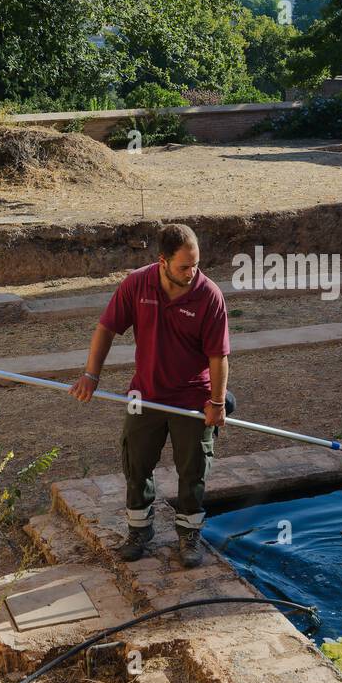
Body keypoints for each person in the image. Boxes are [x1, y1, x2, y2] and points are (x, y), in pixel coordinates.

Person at [70, 223, 232, 568]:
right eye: (184, 267)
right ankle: (139, 530)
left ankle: (189, 534)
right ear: (162, 261)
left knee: (193, 469)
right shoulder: (136, 284)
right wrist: (90, 374)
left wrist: (217, 404)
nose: (192, 273)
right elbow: (107, 327)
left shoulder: (208, 295)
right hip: (144, 396)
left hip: (192, 397)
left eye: (196, 265)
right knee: (136, 463)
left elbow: (219, 356)